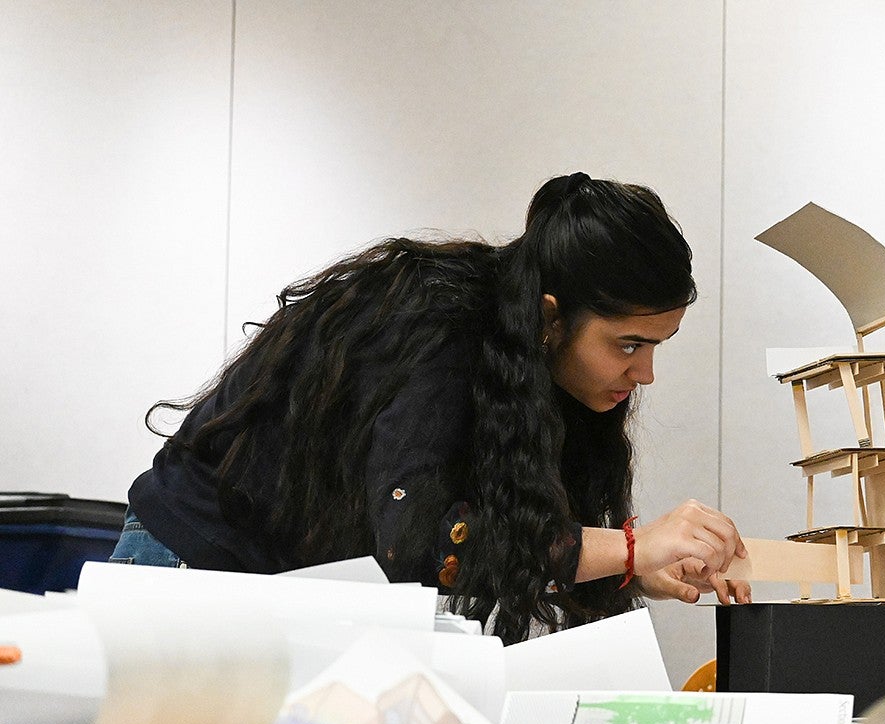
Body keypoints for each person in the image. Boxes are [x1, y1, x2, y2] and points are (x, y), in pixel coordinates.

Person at [113, 172, 751, 644]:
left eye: (655, 346)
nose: (645, 374)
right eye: (628, 345)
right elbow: (423, 544)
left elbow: (518, 534)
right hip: (195, 570)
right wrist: (631, 549)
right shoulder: (433, 320)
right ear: (552, 317)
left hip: (291, 588)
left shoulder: (542, 366)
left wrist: (631, 568)